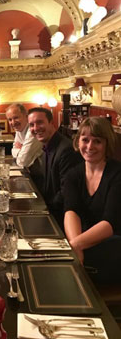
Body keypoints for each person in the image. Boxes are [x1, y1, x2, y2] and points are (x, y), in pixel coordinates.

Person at [64, 117, 121, 283]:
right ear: (78, 141)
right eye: (85, 140)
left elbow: (110, 222)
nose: (89, 147)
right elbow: (71, 210)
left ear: (107, 144)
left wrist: (75, 246)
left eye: (97, 141)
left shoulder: (117, 174)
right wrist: (76, 245)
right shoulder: (73, 174)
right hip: (84, 241)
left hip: (113, 244)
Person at [28, 107, 82, 228]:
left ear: (51, 123)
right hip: (51, 210)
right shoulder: (48, 147)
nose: (36, 128)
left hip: (63, 219)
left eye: (40, 122)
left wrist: (43, 209)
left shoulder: (66, 150)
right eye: (32, 125)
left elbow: (66, 192)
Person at [5, 103, 43, 168]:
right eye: (10, 119)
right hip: (30, 169)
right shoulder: (19, 129)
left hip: (41, 171)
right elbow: (13, 149)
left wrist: (20, 150)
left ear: (26, 116)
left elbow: (22, 162)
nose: (13, 122)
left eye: (16, 118)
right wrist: (21, 151)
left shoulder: (33, 131)